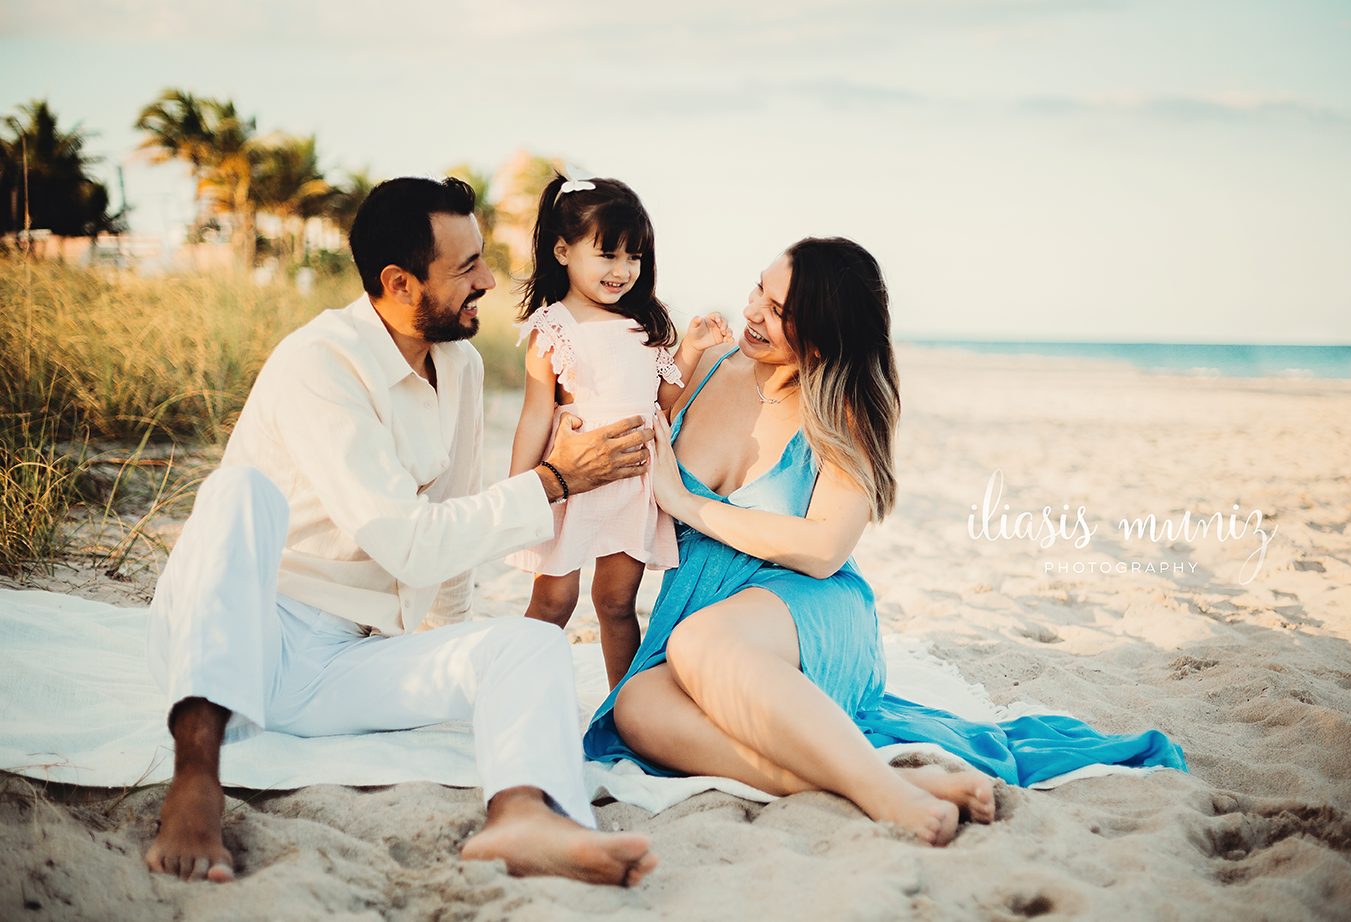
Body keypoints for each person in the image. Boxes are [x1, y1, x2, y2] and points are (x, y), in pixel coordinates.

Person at [583, 237, 1187, 847]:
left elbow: (823, 550)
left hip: (803, 605)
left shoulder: (840, 409)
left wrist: (687, 504)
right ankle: (840, 780)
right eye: (758, 289)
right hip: (707, 602)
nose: (754, 312)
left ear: (822, 333)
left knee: (699, 641)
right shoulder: (704, 365)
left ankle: (881, 791)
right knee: (635, 706)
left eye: (778, 309)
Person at [143, 176, 657, 886]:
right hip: (252, 638)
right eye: (466, 268)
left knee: (528, 642)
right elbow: (406, 539)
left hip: (349, 664)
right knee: (237, 494)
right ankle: (195, 780)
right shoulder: (320, 362)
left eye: (483, 258)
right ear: (399, 282)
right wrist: (556, 480)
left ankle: (524, 815)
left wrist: (454, 636)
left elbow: (452, 522)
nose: (487, 280)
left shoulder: (461, 363)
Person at [506, 176, 731, 688]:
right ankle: (513, 690)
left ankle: (622, 707)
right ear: (562, 251)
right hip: (573, 473)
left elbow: (661, 404)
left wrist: (691, 349)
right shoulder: (554, 327)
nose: (623, 270)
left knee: (616, 601)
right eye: (608, 255)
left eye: (634, 257)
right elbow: (535, 416)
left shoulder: (645, 322)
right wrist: (520, 489)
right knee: (553, 599)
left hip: (633, 475)